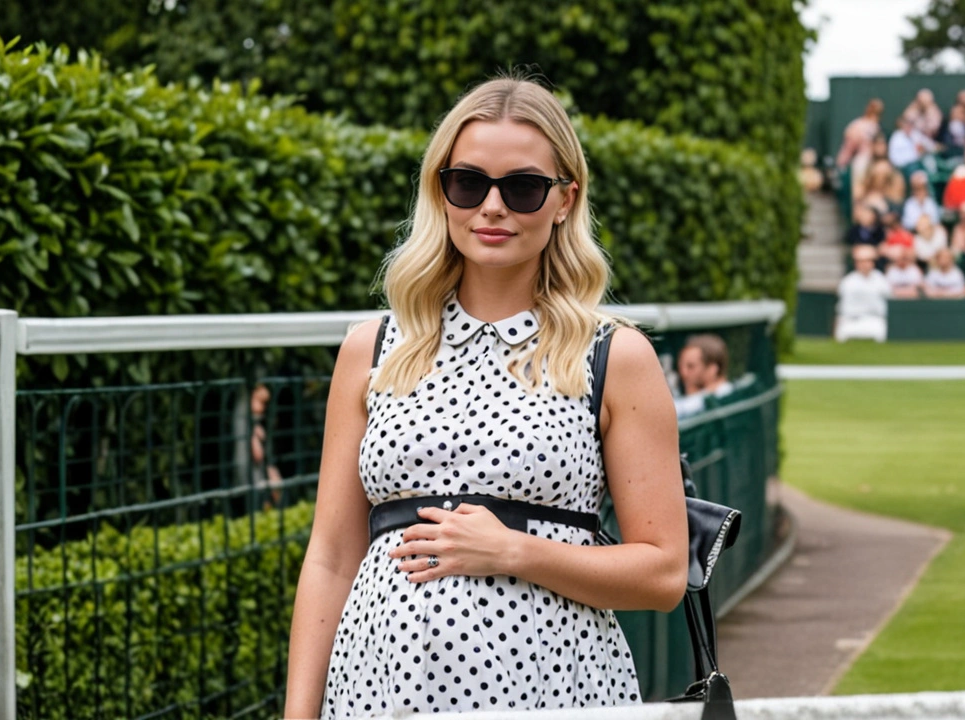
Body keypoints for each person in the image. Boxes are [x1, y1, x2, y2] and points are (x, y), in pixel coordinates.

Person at [284, 77, 687, 720]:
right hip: (380, 683)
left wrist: (514, 551)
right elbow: (331, 558)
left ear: (563, 201)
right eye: (468, 183)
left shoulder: (615, 356)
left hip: (550, 686)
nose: (492, 207)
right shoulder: (372, 348)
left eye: (523, 188)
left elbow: (664, 573)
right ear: (441, 194)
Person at [836, 244, 891, 342]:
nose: (865, 264)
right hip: (850, 322)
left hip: (875, 321)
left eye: (868, 260)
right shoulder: (847, 281)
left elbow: (889, 297)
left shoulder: (881, 280)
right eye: (861, 261)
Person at [672, 334, 734, 418]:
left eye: (691, 366)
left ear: (712, 369)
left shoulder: (719, 397)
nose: (683, 372)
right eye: (681, 366)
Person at [837, 99, 885, 201]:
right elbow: (848, 148)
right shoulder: (858, 125)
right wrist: (841, 163)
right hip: (862, 162)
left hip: (875, 164)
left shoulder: (877, 126)